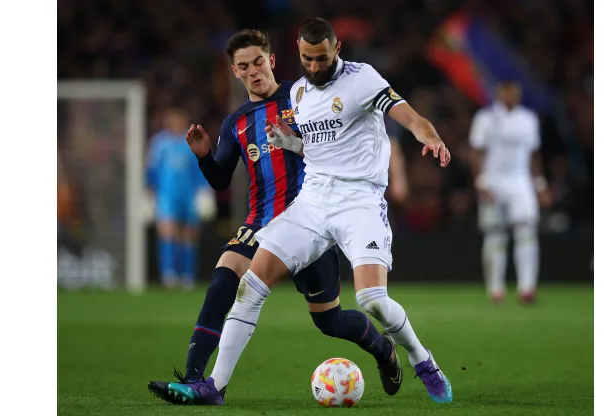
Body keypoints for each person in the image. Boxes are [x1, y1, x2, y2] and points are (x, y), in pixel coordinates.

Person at [178, 18, 454, 405]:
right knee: (249, 285)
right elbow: (317, 151)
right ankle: (214, 386)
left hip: (359, 201)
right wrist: (289, 143)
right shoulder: (302, 94)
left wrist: (429, 134)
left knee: (372, 299)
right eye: (306, 59)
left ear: (336, 49)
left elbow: (406, 115)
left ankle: (421, 359)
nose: (313, 67)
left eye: (320, 58)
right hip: (312, 201)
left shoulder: (362, 79)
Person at [468, 81, 552, 304]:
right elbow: (476, 152)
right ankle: (496, 289)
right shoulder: (485, 118)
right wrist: (481, 182)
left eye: (513, 93)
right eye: (505, 92)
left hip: (520, 181)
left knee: (526, 231)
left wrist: (540, 185)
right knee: (496, 233)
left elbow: (534, 155)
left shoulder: (528, 119)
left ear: (518, 94)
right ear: (498, 94)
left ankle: (527, 288)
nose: (509, 96)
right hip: (493, 181)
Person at [145, 108, 213, 289]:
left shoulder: (191, 142)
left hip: (189, 196)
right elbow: (151, 171)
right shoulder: (158, 144)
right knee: (167, 232)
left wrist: (204, 191)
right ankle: (169, 275)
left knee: (189, 235)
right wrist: (149, 192)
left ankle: (187, 276)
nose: (175, 123)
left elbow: (201, 168)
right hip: (166, 196)